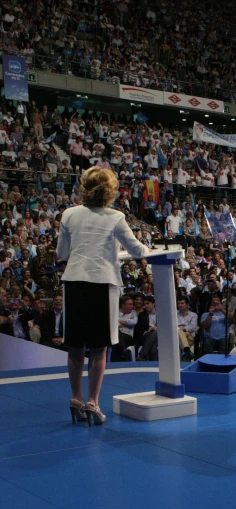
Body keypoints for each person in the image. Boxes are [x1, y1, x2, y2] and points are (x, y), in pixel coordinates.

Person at [56, 166, 149, 426]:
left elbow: (62, 254)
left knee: (75, 347)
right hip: (102, 283)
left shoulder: (69, 214)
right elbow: (137, 249)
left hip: (74, 282)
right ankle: (93, 402)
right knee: (98, 349)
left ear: (84, 187)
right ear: (110, 191)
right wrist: (153, 249)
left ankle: (76, 398)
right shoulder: (115, 217)